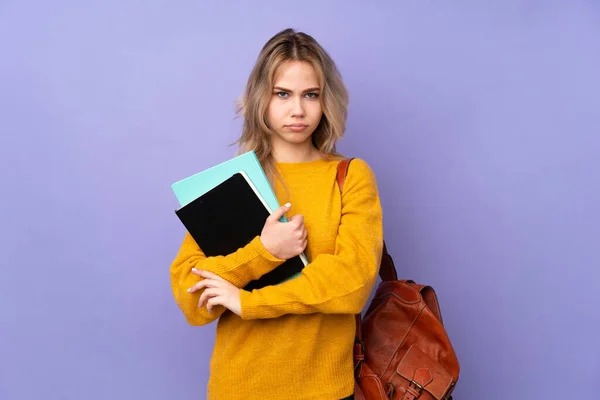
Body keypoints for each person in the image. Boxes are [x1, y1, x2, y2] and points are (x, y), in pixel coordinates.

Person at [170, 28, 383, 400]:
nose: (297, 109)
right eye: (282, 93)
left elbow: (352, 283)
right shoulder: (231, 183)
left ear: (325, 100)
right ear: (260, 99)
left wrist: (246, 301)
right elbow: (192, 299)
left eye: (310, 95)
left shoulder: (349, 177)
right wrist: (264, 252)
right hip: (239, 387)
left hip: (324, 391)